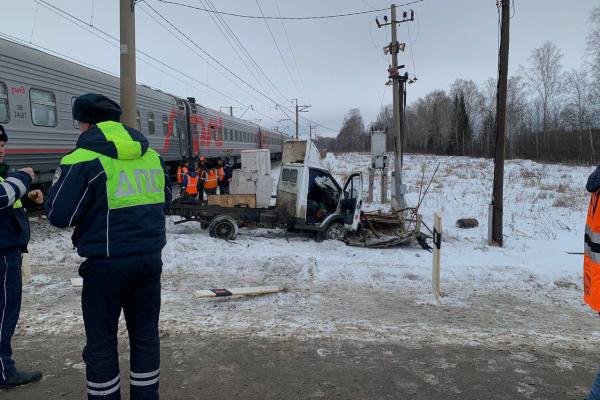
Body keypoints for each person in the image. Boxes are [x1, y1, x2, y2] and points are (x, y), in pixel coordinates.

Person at [44, 94, 171, 400]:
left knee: (101, 342)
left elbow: (61, 216)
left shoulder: (82, 158)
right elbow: (165, 199)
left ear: (83, 123)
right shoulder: (151, 156)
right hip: (149, 261)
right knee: (145, 336)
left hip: (105, 265)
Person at [0, 124, 43, 389]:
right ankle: (4, 372)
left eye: (4, 145)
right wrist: (24, 177)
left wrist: (26, 197)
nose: (2, 151)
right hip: (3, 256)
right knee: (4, 312)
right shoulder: (8, 178)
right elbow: (3, 197)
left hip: (7, 251)